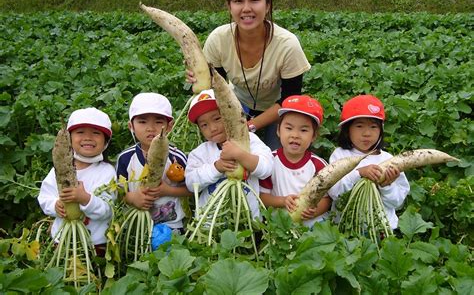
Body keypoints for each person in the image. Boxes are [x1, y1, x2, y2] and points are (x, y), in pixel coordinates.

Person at [187, 0, 311, 151]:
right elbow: (215, 91)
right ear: (229, 6)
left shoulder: (287, 44)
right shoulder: (218, 40)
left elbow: (289, 100)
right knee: (220, 151)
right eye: (238, 1)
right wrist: (199, 81)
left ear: (267, 5)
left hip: (277, 109)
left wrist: (250, 126)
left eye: (254, 0)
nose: (246, 8)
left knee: (279, 155)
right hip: (236, 103)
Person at [37, 108, 116, 256]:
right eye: (80, 132)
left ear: (106, 142)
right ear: (69, 139)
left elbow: (107, 209)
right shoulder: (58, 170)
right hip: (62, 240)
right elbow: (44, 197)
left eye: (96, 133)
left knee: (93, 276)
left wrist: (85, 199)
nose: (88, 137)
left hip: (95, 244)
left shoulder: (107, 172)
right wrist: (55, 205)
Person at [184, 89, 273, 219]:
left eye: (217, 119)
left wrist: (240, 154)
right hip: (210, 222)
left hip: (247, 220)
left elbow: (267, 168)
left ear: (231, 115)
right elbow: (191, 184)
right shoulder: (199, 153)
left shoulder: (250, 139)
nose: (212, 128)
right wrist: (216, 167)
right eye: (204, 125)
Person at [327, 94, 410, 229]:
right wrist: (359, 173)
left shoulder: (388, 160)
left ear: (381, 131)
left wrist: (386, 185)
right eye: (359, 126)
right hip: (347, 228)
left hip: (382, 228)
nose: (367, 133)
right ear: (347, 130)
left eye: (373, 127)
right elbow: (335, 192)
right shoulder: (340, 155)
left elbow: (397, 202)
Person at [116, 93, 191, 234]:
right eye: (142, 122)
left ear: (169, 126)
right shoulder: (125, 158)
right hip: (136, 226)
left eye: (158, 122)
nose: (150, 128)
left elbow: (191, 188)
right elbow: (118, 192)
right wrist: (133, 198)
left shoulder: (176, 157)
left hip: (171, 225)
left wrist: (168, 190)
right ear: (130, 126)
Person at [259, 95, 330, 228]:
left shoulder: (318, 165)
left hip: (311, 226)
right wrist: (283, 201)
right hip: (280, 225)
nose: (295, 135)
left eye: (303, 130)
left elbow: (326, 199)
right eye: (289, 128)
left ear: (313, 136)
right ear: (278, 130)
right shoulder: (269, 161)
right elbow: (262, 197)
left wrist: (314, 212)